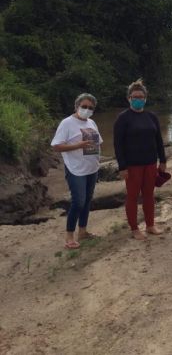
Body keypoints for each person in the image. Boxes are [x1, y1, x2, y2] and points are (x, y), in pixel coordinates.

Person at [113, 79, 166, 240]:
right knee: (133, 196)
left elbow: (158, 140)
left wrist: (162, 160)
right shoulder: (123, 118)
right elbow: (118, 144)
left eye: (141, 97)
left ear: (145, 98)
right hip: (132, 165)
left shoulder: (151, 116)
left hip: (150, 163)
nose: (138, 99)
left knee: (149, 195)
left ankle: (150, 225)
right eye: (135, 96)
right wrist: (122, 167)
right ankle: (134, 228)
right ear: (129, 98)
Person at [51, 93, 102, 249]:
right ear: (77, 106)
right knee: (78, 201)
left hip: (92, 168)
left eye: (90, 108)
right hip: (75, 169)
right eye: (84, 106)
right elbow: (56, 146)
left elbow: (97, 142)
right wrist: (78, 145)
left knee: (87, 201)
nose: (87, 110)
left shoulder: (92, 122)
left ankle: (83, 232)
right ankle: (69, 236)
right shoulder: (67, 123)